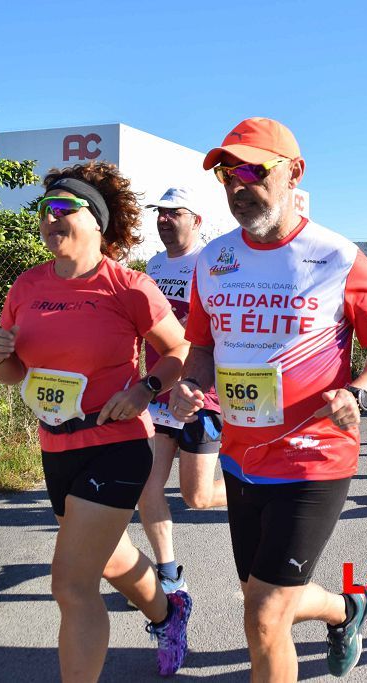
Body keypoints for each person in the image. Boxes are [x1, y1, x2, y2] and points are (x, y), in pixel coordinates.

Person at [169, 117, 367, 680]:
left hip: (315, 459)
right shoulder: (214, 260)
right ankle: (347, 609)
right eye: (227, 172)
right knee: (265, 597)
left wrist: (360, 391)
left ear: (294, 173)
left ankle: (337, 614)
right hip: (241, 458)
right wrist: (188, 384)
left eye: (253, 169)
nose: (237, 184)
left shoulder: (339, 258)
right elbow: (201, 349)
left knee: (265, 615)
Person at [0, 162, 193, 680]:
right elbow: (12, 373)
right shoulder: (26, 286)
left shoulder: (128, 286)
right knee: (112, 559)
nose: (50, 219)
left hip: (116, 443)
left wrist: (144, 390)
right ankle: (169, 611)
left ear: (96, 222)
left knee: (71, 585)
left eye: (63, 209)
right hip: (55, 445)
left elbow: (179, 351)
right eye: (44, 211)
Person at [136, 187, 225, 599]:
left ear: (197, 221)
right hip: (157, 390)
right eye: (160, 213)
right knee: (147, 487)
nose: (164, 220)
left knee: (198, 496)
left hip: (199, 394)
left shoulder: (212, 263)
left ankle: (258, 494)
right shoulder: (153, 265)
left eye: (175, 213)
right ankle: (168, 571)